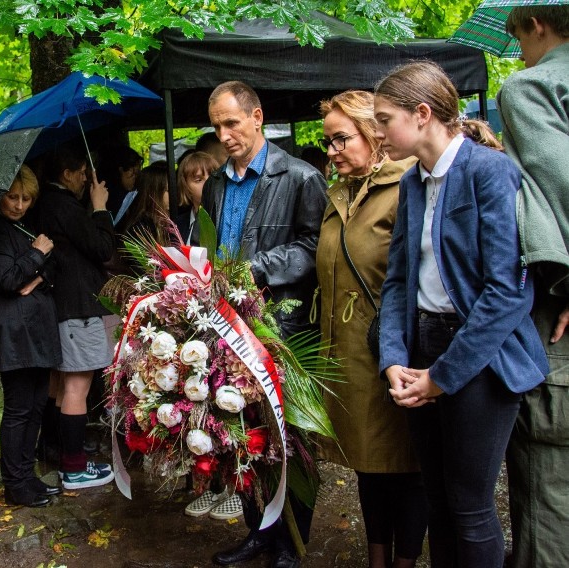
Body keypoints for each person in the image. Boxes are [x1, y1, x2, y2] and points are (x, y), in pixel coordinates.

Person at [373, 61, 548, 568]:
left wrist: (441, 378)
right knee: (438, 500)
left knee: (471, 508)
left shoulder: (489, 171)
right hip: (420, 349)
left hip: (479, 359)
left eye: (384, 119)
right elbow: (399, 282)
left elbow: (508, 293)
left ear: (422, 114)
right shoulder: (411, 182)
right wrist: (394, 359)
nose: (378, 131)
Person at [202, 80, 328, 568]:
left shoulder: (298, 177)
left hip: (280, 329)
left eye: (231, 122)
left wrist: (254, 270)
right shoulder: (215, 183)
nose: (224, 134)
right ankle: (258, 532)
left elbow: (314, 248)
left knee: (290, 441)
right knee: (241, 433)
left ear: (257, 117)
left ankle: (292, 546)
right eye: (216, 126)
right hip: (225, 328)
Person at [313, 90, 425, 568]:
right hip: (346, 351)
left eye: (341, 139)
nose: (333, 151)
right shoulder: (338, 193)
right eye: (328, 143)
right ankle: (377, 555)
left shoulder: (408, 188)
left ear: (375, 135)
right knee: (367, 461)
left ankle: (405, 559)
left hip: (395, 350)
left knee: (405, 464)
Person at [497, 7, 569, 567]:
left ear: (537, 25)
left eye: (517, 35)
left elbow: (560, 180)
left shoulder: (530, 88)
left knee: (548, 487)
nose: (517, 47)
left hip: (558, 319)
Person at [0, 165, 63, 508]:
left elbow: (55, 266)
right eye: (13, 197)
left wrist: (39, 275)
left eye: (27, 198)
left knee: (37, 404)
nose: (20, 205)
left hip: (36, 331)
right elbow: (8, 278)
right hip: (14, 332)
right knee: (18, 408)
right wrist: (37, 255)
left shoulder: (22, 226)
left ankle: (27, 476)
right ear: (0, 196)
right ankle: (15, 483)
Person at [35, 143, 116, 490]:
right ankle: (74, 467)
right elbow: (102, 248)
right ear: (67, 174)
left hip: (62, 306)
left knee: (59, 386)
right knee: (76, 386)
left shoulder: (48, 205)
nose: (86, 178)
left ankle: (54, 449)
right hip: (78, 306)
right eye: (82, 172)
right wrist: (99, 208)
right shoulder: (63, 205)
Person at [116, 160, 171, 244]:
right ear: (153, 192)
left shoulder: (173, 220)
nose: (175, 194)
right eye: (168, 190)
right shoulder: (141, 230)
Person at [175, 151, 220, 244]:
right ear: (186, 186)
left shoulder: (225, 218)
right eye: (198, 180)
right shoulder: (178, 225)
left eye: (212, 177)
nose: (208, 183)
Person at [99, 145, 143, 223]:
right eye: (133, 174)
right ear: (121, 170)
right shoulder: (107, 197)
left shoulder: (133, 194)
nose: (135, 178)